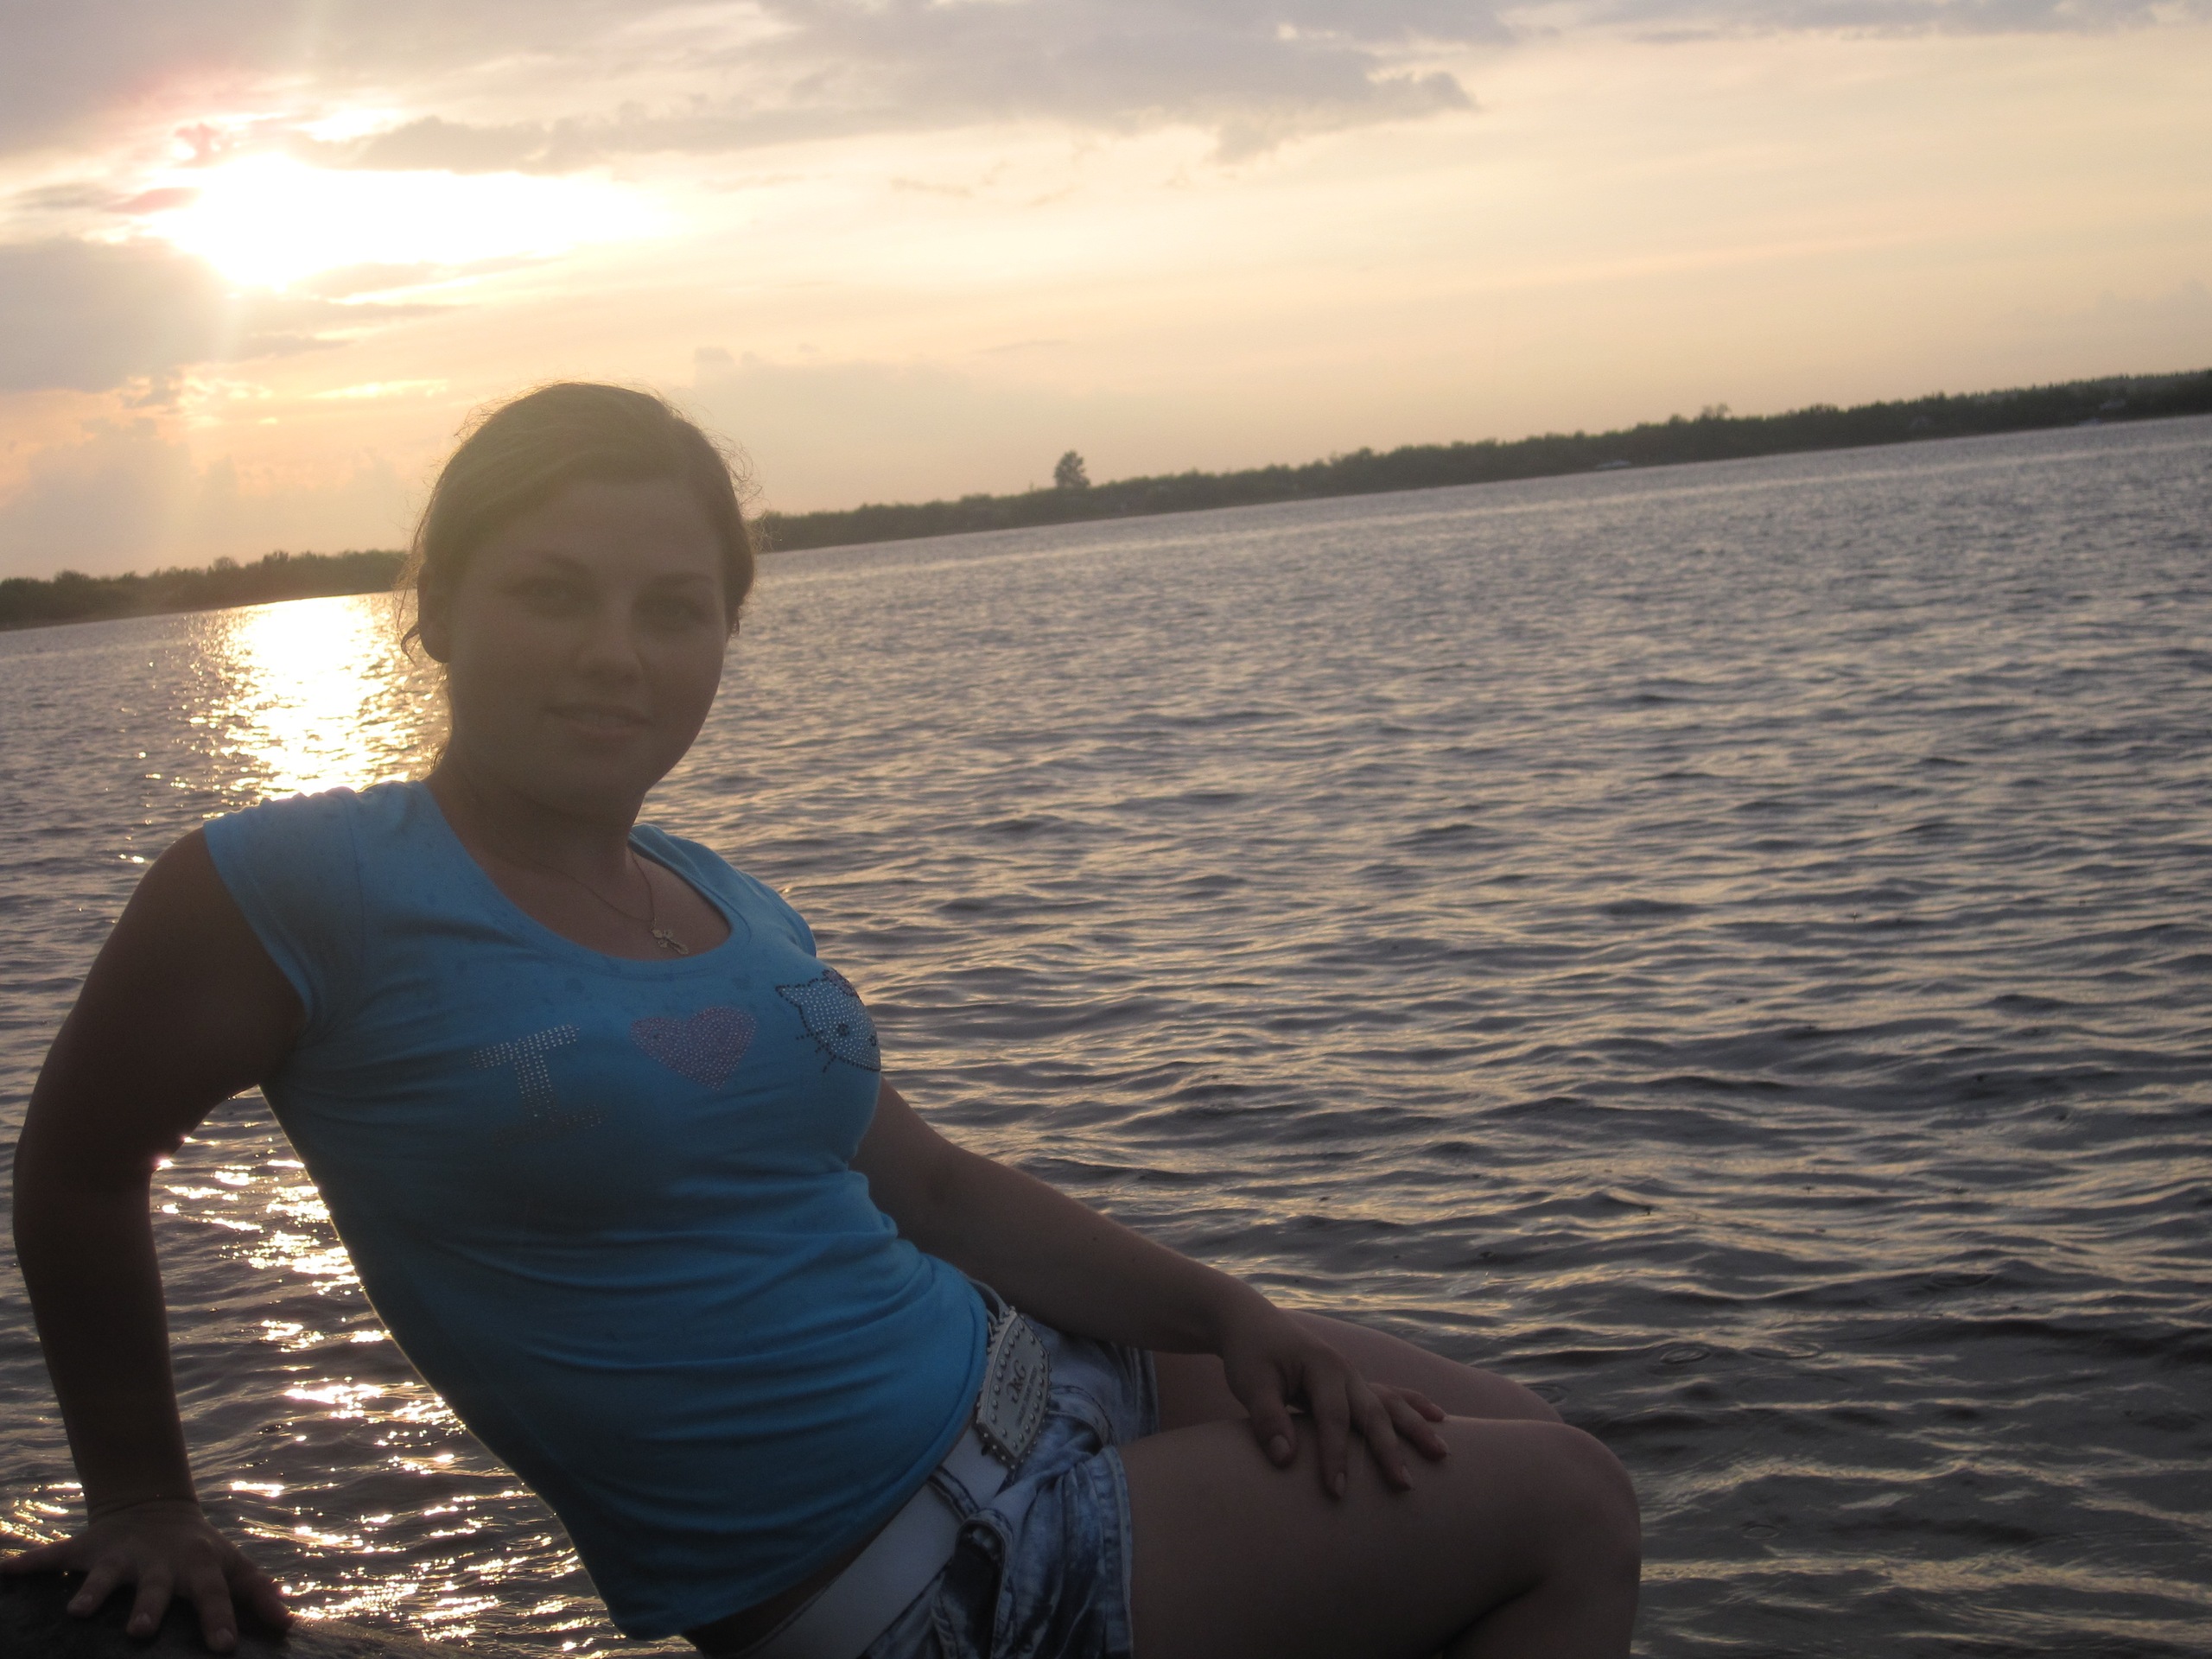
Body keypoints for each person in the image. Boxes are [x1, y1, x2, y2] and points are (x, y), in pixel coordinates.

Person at [5, 384, 1640, 1659]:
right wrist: (143, 1499)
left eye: (674, 608)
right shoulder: (293, 887)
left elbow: (928, 1187)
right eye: (553, 593)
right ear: (435, 607)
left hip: (1055, 1386)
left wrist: (1231, 1316)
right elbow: (79, 1168)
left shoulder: (719, 892)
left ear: (726, 634)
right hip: (907, 1572)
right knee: (1566, 1511)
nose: (613, 655)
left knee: (1521, 1426)